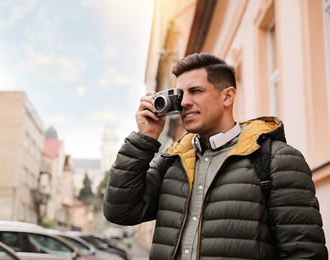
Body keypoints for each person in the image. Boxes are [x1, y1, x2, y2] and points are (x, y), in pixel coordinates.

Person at [103, 53, 328, 259]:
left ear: (227, 96)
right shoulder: (171, 161)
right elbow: (120, 211)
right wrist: (145, 138)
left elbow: (305, 253)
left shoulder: (277, 159)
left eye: (196, 91)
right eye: (181, 95)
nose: (184, 102)